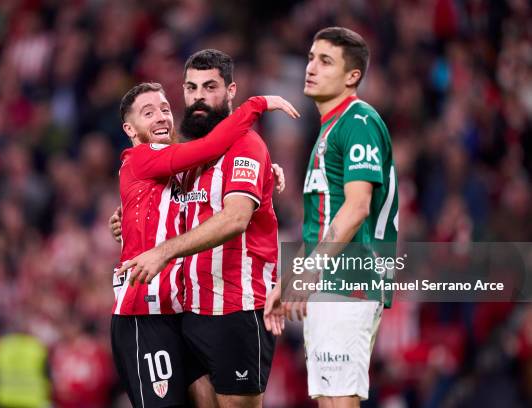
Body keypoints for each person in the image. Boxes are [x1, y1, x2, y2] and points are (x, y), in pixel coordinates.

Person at [111, 80, 298, 408]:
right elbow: (212, 147)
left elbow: (207, 184)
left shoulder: (177, 172)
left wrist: (265, 171)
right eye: (148, 112)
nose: (160, 117)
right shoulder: (142, 158)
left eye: (165, 109)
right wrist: (255, 104)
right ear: (130, 128)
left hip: (179, 312)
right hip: (143, 312)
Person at [264, 27, 399, 408]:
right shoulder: (329, 129)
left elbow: (357, 207)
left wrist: (312, 270)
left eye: (325, 61)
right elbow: (324, 222)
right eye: (310, 58)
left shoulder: (358, 121)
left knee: (339, 400)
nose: (311, 67)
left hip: (349, 280)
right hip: (330, 281)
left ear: (352, 76)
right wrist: (292, 277)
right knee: (330, 399)